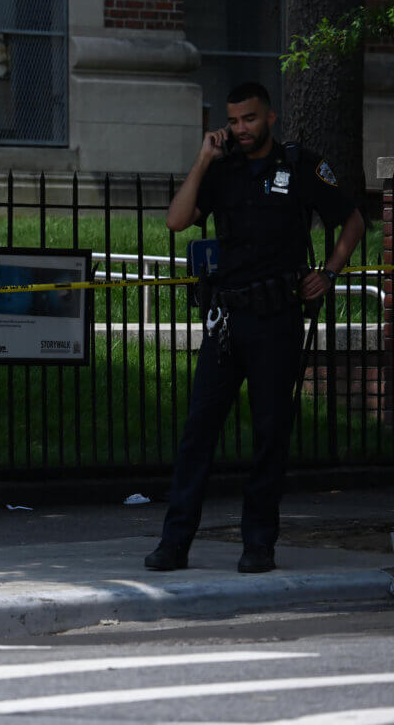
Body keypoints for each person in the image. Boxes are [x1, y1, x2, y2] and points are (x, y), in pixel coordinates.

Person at [146, 82, 364, 574]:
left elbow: (352, 221)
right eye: (234, 120)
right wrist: (203, 159)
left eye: (249, 119)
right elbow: (177, 221)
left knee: (270, 435)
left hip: (276, 320)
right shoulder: (221, 170)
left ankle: (258, 543)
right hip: (227, 322)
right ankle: (174, 543)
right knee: (198, 434)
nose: (240, 129)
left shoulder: (300, 165)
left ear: (270, 117)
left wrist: (329, 272)